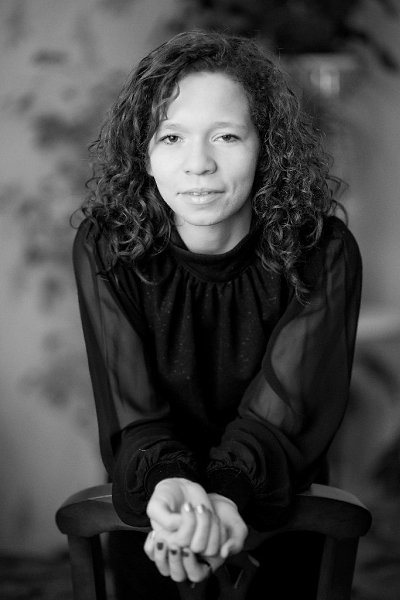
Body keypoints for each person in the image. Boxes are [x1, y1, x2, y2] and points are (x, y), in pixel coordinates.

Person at [73, 30, 362, 599]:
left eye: (227, 136)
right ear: (144, 154)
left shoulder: (322, 250)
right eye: (171, 137)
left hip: (274, 508)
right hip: (160, 515)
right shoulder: (107, 247)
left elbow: (284, 411)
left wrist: (227, 497)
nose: (199, 164)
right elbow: (132, 413)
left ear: (265, 147)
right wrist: (172, 491)